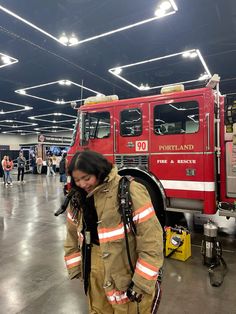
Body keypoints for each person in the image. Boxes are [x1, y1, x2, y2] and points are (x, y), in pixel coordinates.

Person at [64, 151, 163, 313]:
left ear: (99, 171)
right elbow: (71, 235)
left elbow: (152, 241)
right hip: (93, 272)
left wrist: (141, 281)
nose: (82, 184)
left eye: (87, 178)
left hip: (126, 275)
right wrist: (76, 267)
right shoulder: (77, 199)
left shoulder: (131, 191)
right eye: (77, 180)